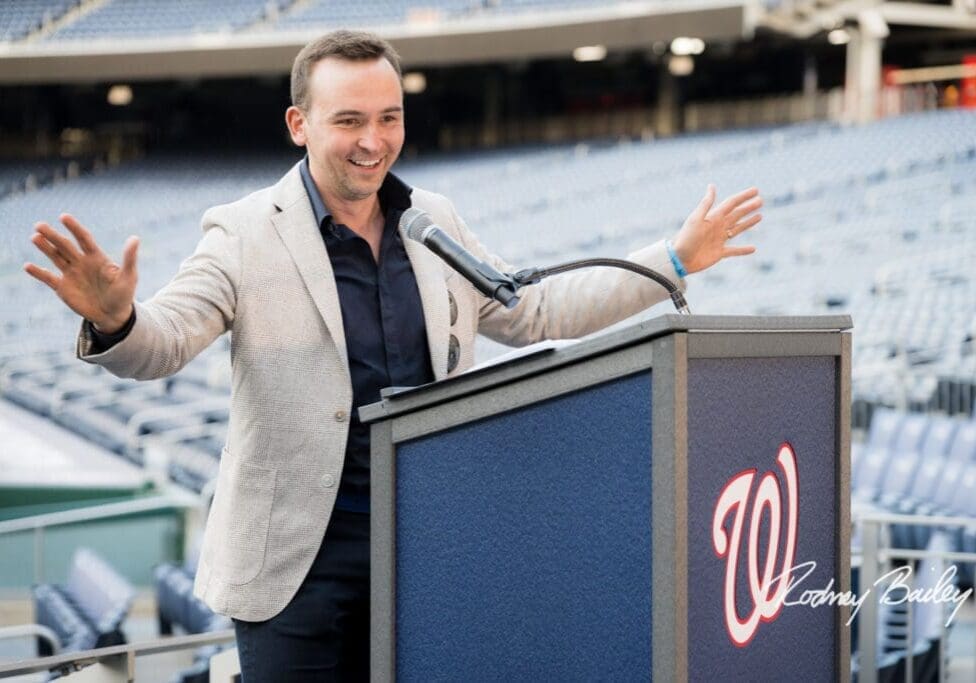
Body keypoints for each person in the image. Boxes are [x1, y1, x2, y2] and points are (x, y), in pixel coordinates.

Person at [24, 30, 762, 682]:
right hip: (293, 570)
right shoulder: (244, 231)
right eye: (348, 120)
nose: (372, 140)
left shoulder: (432, 221)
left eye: (388, 118)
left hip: (425, 550)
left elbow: (535, 310)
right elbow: (167, 338)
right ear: (299, 123)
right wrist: (118, 317)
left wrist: (671, 259)